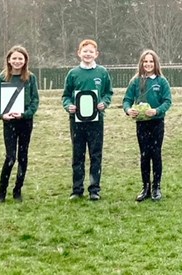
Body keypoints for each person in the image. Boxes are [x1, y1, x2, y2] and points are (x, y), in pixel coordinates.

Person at [62, 39, 114, 201]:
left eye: (91, 52)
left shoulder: (102, 73)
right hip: (77, 122)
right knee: (78, 155)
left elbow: (108, 93)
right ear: (79, 53)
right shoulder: (73, 74)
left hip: (96, 121)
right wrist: (69, 105)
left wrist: (103, 103)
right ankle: (77, 190)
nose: (88, 54)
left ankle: (94, 189)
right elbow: (66, 96)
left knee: (95, 155)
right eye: (85, 51)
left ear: (96, 54)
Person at [0, 45, 40, 203]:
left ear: (25, 60)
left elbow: (35, 100)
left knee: (23, 157)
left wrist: (25, 114)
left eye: (20, 58)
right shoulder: (1, 78)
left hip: (25, 122)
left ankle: (18, 189)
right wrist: (1, 114)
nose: (17, 61)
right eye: (14, 58)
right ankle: (2, 190)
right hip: (9, 123)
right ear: (9, 60)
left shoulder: (30, 78)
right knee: (10, 157)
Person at [123, 50, 173, 202]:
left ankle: (156, 187)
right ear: (141, 63)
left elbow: (167, 101)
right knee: (144, 155)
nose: (148, 64)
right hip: (142, 124)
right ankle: (145, 187)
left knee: (155, 154)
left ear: (155, 63)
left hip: (157, 123)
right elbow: (126, 100)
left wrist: (157, 111)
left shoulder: (161, 81)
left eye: (151, 61)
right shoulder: (136, 81)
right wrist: (128, 110)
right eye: (145, 61)